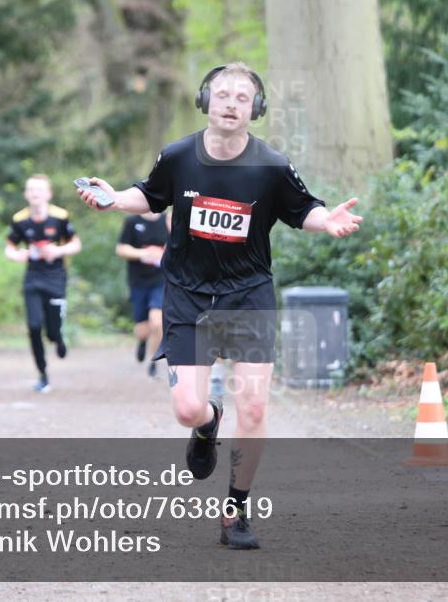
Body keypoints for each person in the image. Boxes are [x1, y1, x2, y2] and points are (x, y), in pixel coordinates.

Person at [78, 63, 362, 549]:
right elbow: (149, 195)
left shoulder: (271, 165)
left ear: (256, 108)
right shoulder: (177, 156)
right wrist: (114, 199)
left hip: (248, 295)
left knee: (254, 407)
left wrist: (326, 220)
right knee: (187, 409)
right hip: (188, 295)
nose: (231, 103)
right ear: (206, 101)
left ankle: (236, 512)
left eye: (242, 97)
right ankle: (208, 424)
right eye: (223, 94)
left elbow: (303, 209)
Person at [5, 174, 82, 393]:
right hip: (33, 277)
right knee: (34, 326)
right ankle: (43, 374)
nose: (35, 194)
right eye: (31, 190)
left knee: (52, 332)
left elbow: (76, 244)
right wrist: (17, 255)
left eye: (39, 190)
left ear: (48, 194)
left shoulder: (60, 216)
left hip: (56, 277)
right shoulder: (20, 219)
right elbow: (9, 247)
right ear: (26, 194)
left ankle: (58, 339)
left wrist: (58, 250)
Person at [115, 211, 169, 378]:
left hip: (162, 279)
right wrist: (145, 253)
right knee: (142, 329)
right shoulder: (132, 221)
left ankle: (154, 361)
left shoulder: (168, 220)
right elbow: (121, 249)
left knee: (157, 322)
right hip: (138, 281)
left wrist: (164, 253)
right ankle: (142, 340)